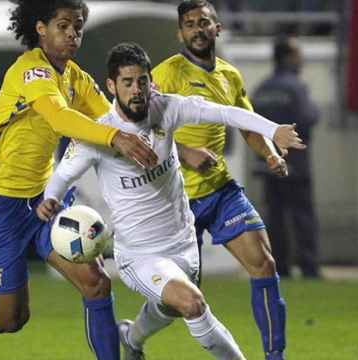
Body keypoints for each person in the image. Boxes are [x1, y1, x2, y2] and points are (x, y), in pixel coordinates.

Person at [0, 1, 158, 360]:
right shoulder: (30, 72)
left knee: (96, 284)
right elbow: (60, 119)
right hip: (0, 204)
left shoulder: (75, 77)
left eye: (77, 26)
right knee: (9, 317)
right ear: (40, 28)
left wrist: (155, 137)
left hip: (48, 198)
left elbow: (111, 117)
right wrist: (115, 139)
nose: (73, 33)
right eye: (63, 25)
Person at [37, 42, 304, 360]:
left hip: (185, 246)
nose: (137, 90)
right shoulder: (99, 136)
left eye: (142, 81)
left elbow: (226, 112)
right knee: (192, 304)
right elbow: (63, 174)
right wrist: (50, 198)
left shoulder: (166, 108)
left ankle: (131, 338)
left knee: (169, 306)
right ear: (111, 86)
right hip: (140, 255)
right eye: (127, 82)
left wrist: (273, 130)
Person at [151, 1, 294, 359]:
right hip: (175, 202)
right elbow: (142, 129)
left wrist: (271, 155)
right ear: (180, 33)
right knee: (179, 301)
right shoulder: (165, 74)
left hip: (219, 191)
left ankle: (274, 357)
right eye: (189, 24)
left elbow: (246, 124)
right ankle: (134, 336)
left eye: (204, 22)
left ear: (218, 29)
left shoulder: (230, 75)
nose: (197, 29)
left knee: (264, 265)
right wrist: (184, 151)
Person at [252, 35, 321, 278]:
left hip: (269, 164)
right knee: (302, 217)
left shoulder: (262, 88)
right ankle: (309, 267)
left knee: (275, 218)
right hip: (296, 165)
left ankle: (280, 266)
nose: (301, 59)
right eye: (297, 54)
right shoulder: (296, 86)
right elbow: (308, 117)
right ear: (288, 57)